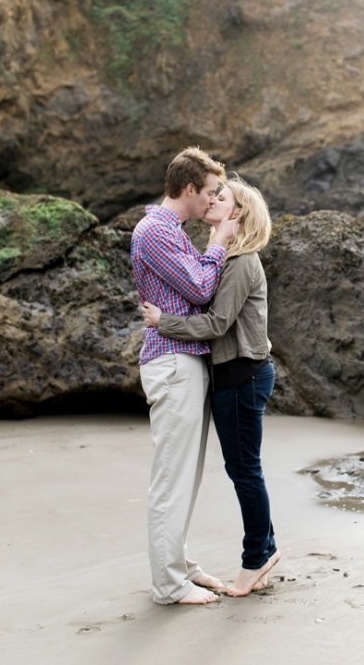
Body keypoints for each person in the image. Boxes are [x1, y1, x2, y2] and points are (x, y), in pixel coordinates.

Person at [142, 176, 280, 597]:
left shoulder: (240, 262)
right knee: (243, 469)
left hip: (242, 375)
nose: (215, 199)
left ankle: (258, 557)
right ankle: (265, 553)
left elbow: (217, 323)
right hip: (233, 375)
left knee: (244, 471)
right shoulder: (224, 256)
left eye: (224, 197)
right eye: (214, 193)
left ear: (237, 213)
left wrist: (162, 322)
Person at [131, 146, 239, 606]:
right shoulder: (154, 230)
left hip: (183, 358)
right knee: (172, 479)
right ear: (190, 189)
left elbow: (195, 284)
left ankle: (178, 565)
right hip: (172, 360)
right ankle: (168, 585)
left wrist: (207, 254)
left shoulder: (170, 231)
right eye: (210, 192)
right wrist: (218, 245)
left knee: (185, 477)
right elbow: (198, 287)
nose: (213, 200)